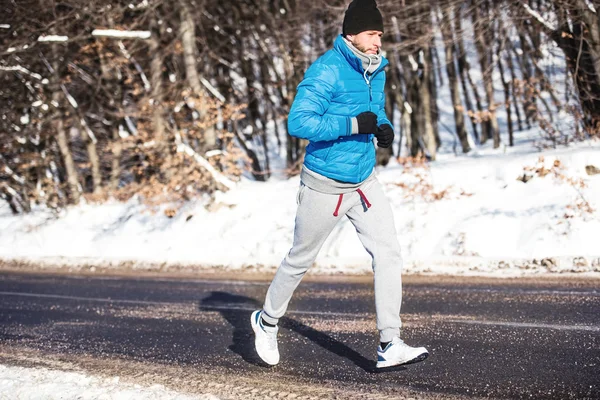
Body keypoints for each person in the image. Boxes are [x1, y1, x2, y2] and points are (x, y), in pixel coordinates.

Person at [250, 0, 429, 368]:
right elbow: (298, 123)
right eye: (371, 34)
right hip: (324, 185)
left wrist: (383, 128)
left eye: (380, 34)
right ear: (352, 34)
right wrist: (352, 125)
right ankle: (266, 322)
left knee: (388, 252)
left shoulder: (375, 69)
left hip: (364, 182)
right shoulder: (326, 71)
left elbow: (373, 110)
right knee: (300, 259)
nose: (379, 41)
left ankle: (389, 343)